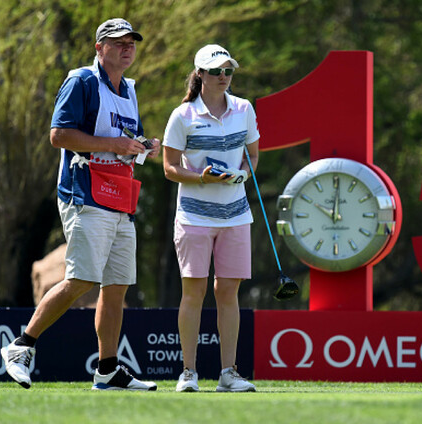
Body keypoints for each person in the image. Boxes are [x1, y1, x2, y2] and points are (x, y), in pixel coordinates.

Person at [0, 18, 161, 391]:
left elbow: (123, 140)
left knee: (117, 285)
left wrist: (141, 146)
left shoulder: (129, 89)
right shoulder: (81, 81)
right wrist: (115, 145)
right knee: (83, 279)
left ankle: (108, 369)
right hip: (83, 194)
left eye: (131, 42)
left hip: (120, 197)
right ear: (99, 47)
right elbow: (58, 135)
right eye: (117, 42)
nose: (127, 48)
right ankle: (21, 345)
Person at [162, 44, 259, 392]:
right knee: (194, 292)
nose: (223, 77)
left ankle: (228, 374)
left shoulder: (244, 109)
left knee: (228, 293)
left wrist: (243, 175)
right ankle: (188, 372)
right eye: (216, 71)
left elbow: (252, 156)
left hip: (236, 215)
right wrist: (201, 178)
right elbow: (169, 168)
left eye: (228, 71)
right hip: (194, 216)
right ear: (200, 74)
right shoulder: (182, 115)